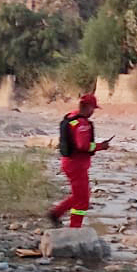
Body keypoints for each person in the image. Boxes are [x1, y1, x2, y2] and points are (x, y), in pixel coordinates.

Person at [47, 93, 111, 228]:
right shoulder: (82, 124)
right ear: (87, 107)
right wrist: (101, 146)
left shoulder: (72, 117)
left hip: (69, 163)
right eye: (93, 108)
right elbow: (83, 146)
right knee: (82, 200)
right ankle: (74, 227)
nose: (93, 112)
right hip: (77, 165)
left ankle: (56, 213)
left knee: (79, 195)